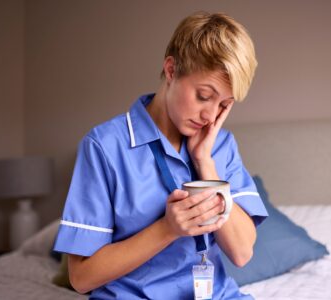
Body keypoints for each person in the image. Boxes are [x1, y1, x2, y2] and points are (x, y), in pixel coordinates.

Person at [53, 11, 268, 299]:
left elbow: (241, 253)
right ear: (171, 70)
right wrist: (168, 229)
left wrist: (206, 164)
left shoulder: (220, 145)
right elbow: (81, 278)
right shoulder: (104, 146)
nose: (210, 115)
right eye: (204, 96)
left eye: (223, 105)